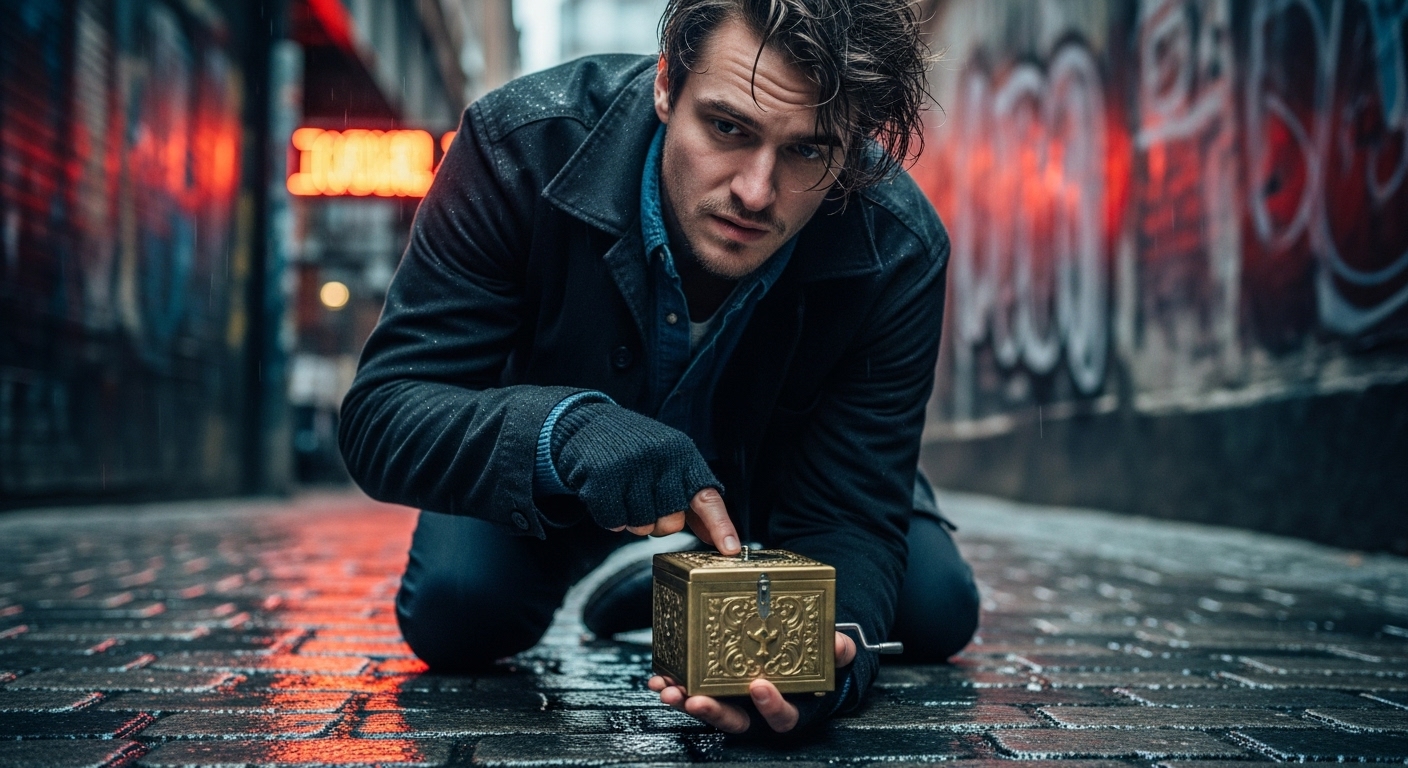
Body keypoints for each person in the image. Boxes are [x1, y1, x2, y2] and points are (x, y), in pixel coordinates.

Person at [339, 0, 979, 735]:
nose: (755, 191)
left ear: (850, 148)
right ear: (668, 83)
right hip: (562, 481)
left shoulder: (898, 245)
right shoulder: (516, 145)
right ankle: (648, 567)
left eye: (807, 151)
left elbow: (849, 514)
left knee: (934, 606)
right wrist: (567, 432)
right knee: (457, 614)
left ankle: (671, 586)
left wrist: (822, 672)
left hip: (785, 469)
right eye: (728, 128)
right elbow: (383, 411)